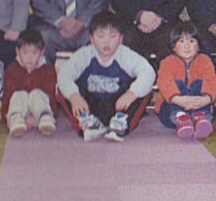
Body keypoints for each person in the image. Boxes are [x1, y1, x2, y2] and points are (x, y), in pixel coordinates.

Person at [55, 11, 155, 142]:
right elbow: (64, 74)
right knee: (63, 88)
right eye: (101, 36)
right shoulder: (85, 54)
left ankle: (119, 125)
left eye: (112, 36)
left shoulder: (125, 55)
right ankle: (88, 123)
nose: (106, 42)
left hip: (119, 106)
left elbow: (148, 72)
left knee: (145, 89)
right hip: (90, 106)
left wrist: (132, 93)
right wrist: (74, 96)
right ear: (91, 38)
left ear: (121, 38)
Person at [154, 22, 216, 139]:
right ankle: (182, 118)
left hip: (200, 105)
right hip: (171, 110)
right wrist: (178, 99)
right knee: (177, 84)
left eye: (191, 41)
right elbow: (164, 82)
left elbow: (211, 80)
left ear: (198, 46)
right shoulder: (167, 62)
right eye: (181, 41)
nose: (187, 46)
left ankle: (200, 117)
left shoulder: (204, 60)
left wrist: (206, 99)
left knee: (199, 83)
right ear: (173, 46)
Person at [2, 29, 58, 137]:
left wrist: (52, 114)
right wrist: (6, 116)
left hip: (39, 109)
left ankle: (45, 118)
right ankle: (15, 119)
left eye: (34, 53)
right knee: (19, 94)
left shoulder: (48, 70)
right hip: (19, 109)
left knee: (37, 93)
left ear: (42, 52)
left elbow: (51, 97)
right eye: (25, 52)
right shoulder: (11, 70)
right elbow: (6, 97)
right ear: (17, 52)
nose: (29, 57)